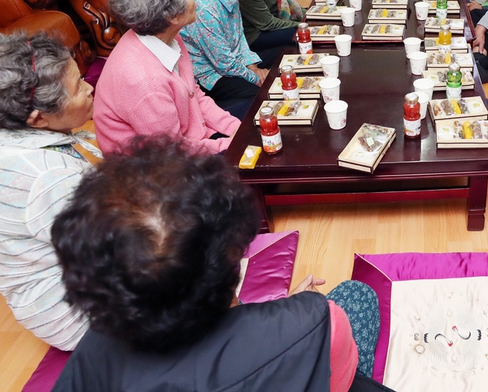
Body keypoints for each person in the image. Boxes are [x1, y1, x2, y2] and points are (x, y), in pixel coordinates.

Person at [51, 138, 388, 392]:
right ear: (230, 260)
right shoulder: (318, 321)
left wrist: (283, 317)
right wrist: (291, 315)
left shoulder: (93, 354)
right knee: (356, 295)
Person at [0, 32, 94, 350]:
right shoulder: (47, 176)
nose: (90, 88)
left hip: (45, 295)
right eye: (78, 87)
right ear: (38, 118)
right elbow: (115, 252)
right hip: (77, 317)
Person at [94, 0, 241, 156]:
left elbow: (193, 94)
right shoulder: (145, 82)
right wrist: (229, 144)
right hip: (160, 169)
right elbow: (174, 152)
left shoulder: (164, 33)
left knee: (258, 118)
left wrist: (235, 129)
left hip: (194, 136)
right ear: (172, 16)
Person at [180, 0, 267, 119]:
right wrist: (256, 77)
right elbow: (223, 64)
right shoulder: (203, 6)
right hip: (209, 76)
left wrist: (252, 65)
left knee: (277, 64)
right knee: (261, 97)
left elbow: (238, 34)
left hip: (230, 61)